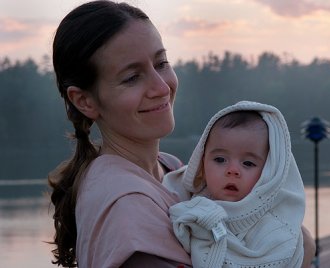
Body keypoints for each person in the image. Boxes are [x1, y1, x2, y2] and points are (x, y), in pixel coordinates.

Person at [47, 1, 315, 267]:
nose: (161, 86)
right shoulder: (125, 205)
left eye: (161, 63)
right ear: (85, 101)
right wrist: (301, 250)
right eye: (132, 77)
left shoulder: (171, 170)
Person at [163, 101, 305, 267]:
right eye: (220, 160)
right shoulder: (183, 201)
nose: (232, 170)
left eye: (248, 163)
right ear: (202, 162)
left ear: (269, 172)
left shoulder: (277, 227)